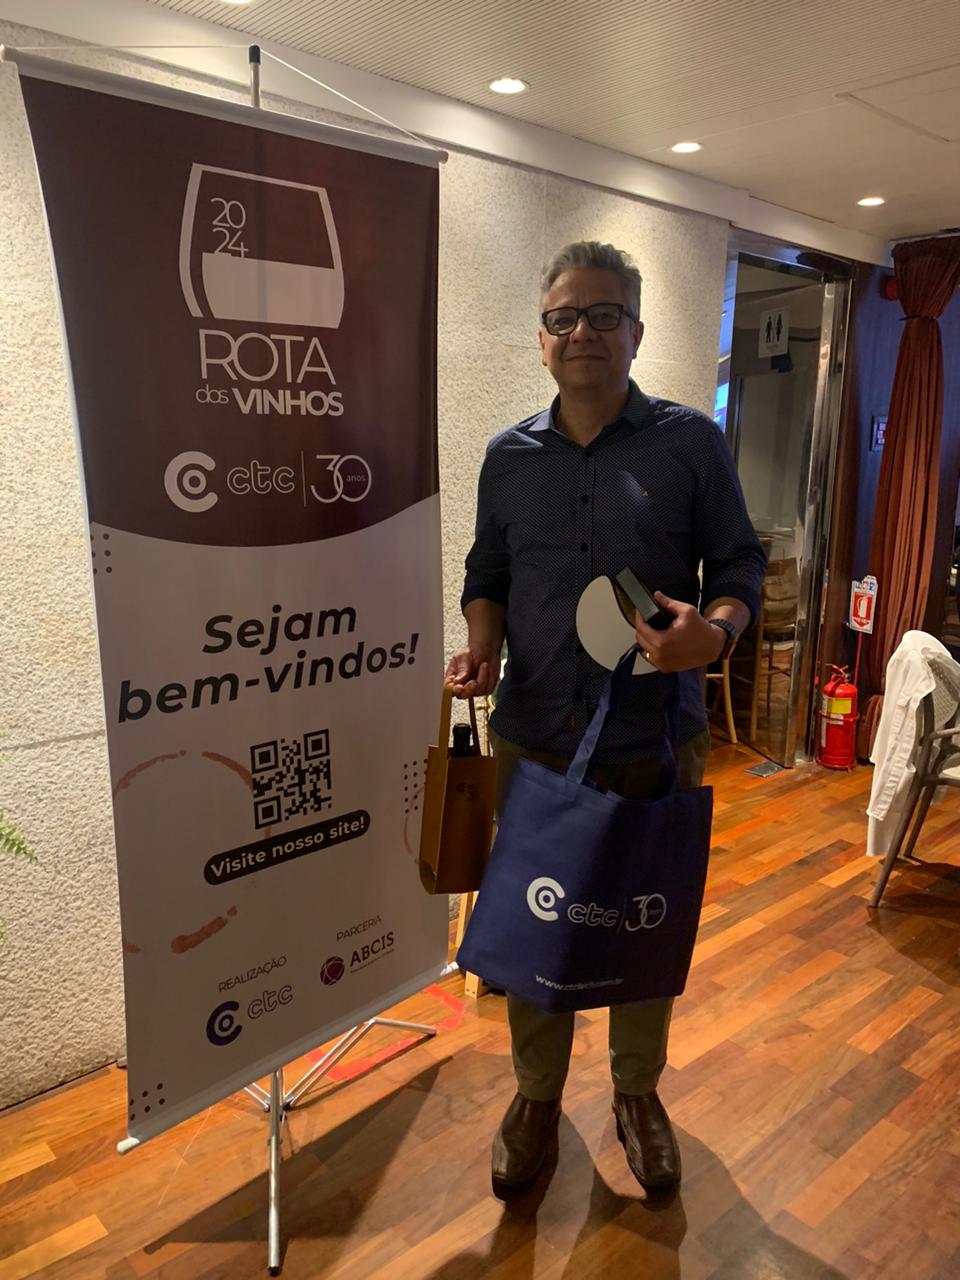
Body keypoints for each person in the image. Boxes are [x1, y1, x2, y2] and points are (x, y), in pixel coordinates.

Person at [445, 241, 766, 1199]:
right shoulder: (508, 458)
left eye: (602, 315)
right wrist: (483, 641)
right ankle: (535, 1096)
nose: (581, 331)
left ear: (635, 331)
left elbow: (738, 566)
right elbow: (487, 575)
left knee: (642, 920)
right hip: (534, 731)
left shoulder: (689, 443)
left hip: (654, 733)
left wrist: (714, 634)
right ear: (542, 338)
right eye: (563, 317)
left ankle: (636, 1093)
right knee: (536, 924)